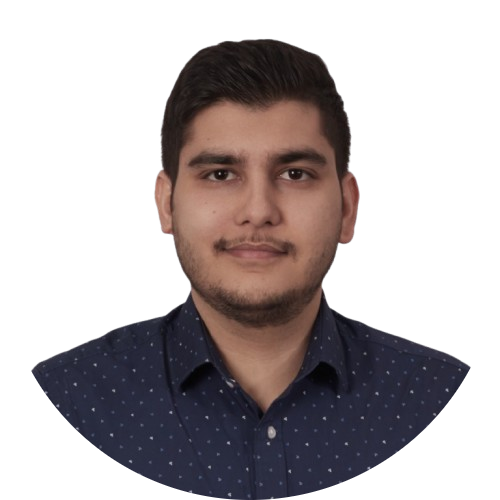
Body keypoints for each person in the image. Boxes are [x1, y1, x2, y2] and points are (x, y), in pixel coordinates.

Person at [32, 39, 470, 497]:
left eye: (295, 173)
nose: (258, 211)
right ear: (166, 204)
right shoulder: (67, 398)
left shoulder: (437, 396)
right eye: (220, 174)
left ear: (347, 207)